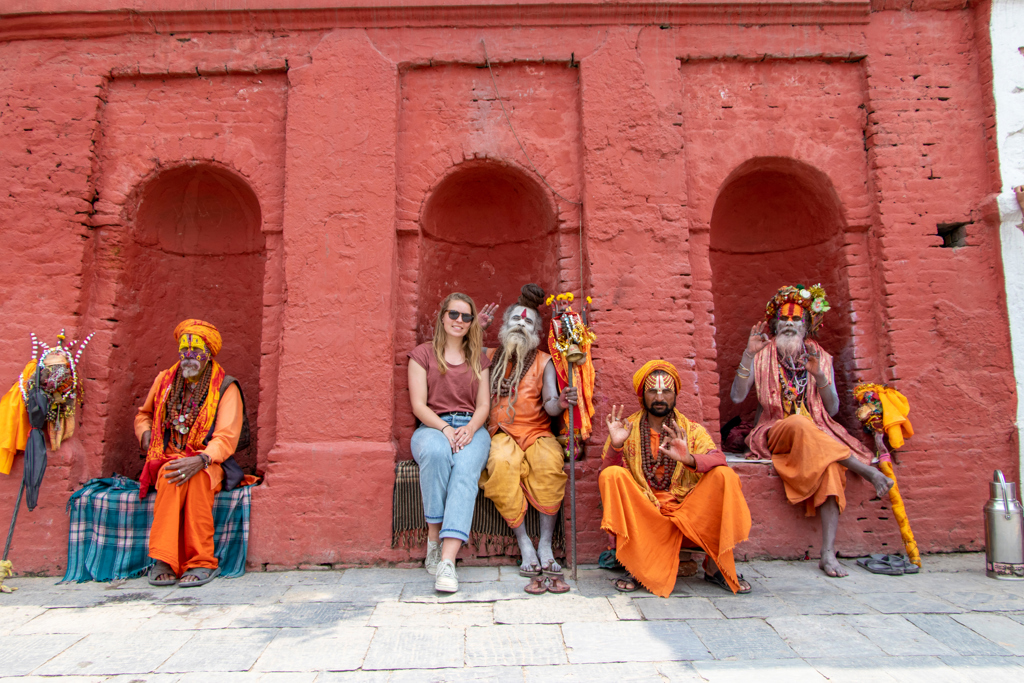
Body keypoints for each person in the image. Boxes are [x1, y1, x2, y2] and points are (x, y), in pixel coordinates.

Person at [730, 285, 893, 577]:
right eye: (784, 319)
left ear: (807, 326)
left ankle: (827, 553)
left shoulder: (820, 356)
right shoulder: (762, 353)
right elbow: (737, 397)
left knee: (830, 469)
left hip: (818, 433)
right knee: (798, 422)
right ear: (775, 325)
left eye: (796, 320)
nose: (790, 324)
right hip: (773, 431)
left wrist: (819, 377)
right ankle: (866, 471)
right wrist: (747, 355)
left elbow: (831, 410)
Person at [599, 360, 752, 596]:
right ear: (642, 395)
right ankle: (636, 566)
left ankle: (715, 567)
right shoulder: (625, 429)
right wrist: (616, 447)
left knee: (724, 475)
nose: (660, 397)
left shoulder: (691, 430)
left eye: (666, 391)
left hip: (687, 510)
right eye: (653, 390)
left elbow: (718, 458)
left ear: (675, 394)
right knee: (611, 474)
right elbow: (607, 475)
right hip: (646, 512)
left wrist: (689, 459)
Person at [479, 284, 575, 595]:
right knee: (501, 463)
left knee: (549, 463)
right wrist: (477, 331)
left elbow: (549, 404)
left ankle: (545, 543)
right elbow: (458, 356)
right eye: (516, 320)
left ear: (536, 331)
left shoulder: (544, 360)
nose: (521, 324)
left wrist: (560, 403)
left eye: (528, 321)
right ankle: (524, 542)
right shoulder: (488, 356)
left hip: (537, 431)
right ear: (504, 326)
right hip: (500, 432)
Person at [137, 319, 245, 587]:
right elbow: (144, 415)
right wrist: (146, 436)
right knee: (171, 474)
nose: (189, 357)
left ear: (208, 354)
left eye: (196, 351)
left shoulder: (226, 387)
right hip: (170, 456)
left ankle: (201, 561)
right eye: (184, 351)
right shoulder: (164, 380)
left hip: (209, 460)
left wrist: (201, 459)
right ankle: (163, 559)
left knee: (197, 479)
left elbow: (226, 436)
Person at [408, 293, 492, 593]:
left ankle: (447, 561)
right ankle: (433, 537)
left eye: (466, 317)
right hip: (432, 426)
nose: (459, 321)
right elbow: (419, 405)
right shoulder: (422, 355)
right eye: (454, 315)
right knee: (435, 452)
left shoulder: (478, 357)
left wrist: (470, 429)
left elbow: (484, 405)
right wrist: (444, 428)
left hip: (471, 426)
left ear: (471, 323)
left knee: (466, 469)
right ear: (442, 317)